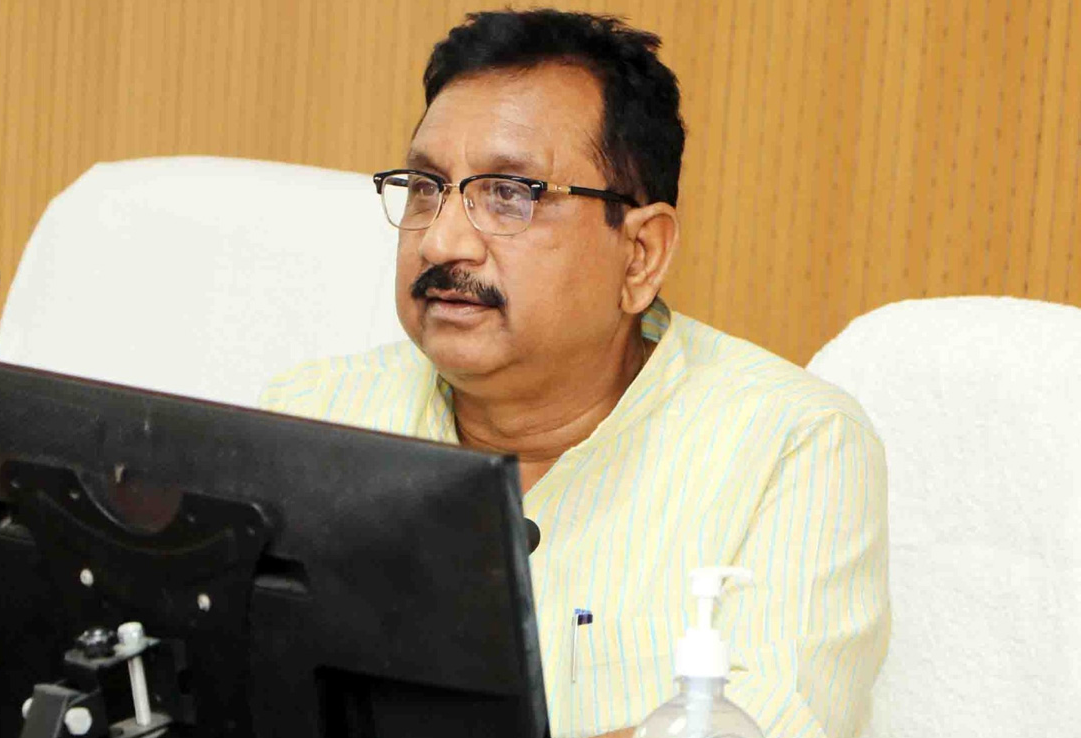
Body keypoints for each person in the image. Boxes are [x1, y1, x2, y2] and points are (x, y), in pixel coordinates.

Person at [261, 9, 889, 738]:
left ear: (641, 255)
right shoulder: (310, 416)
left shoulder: (793, 445)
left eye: (510, 193)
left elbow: (762, 726)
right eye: (427, 187)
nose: (441, 240)